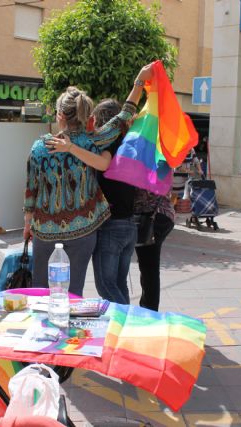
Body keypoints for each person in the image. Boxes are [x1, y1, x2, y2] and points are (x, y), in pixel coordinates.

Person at [23, 63, 153, 296]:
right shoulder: (93, 141)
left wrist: (27, 224)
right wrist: (140, 80)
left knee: (42, 293)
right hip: (83, 232)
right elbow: (124, 115)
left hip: (44, 232)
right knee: (73, 295)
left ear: (60, 115)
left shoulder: (39, 147)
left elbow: (31, 191)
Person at [60, 99, 136, 304]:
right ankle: (123, 329)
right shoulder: (128, 143)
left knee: (106, 286)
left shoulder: (107, 144)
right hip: (129, 224)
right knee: (119, 283)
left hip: (111, 225)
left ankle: (127, 321)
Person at [133, 188, 175, 312]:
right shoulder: (162, 167)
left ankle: (149, 311)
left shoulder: (143, 169)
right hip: (165, 215)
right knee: (149, 268)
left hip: (150, 218)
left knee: (148, 268)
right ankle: (148, 308)